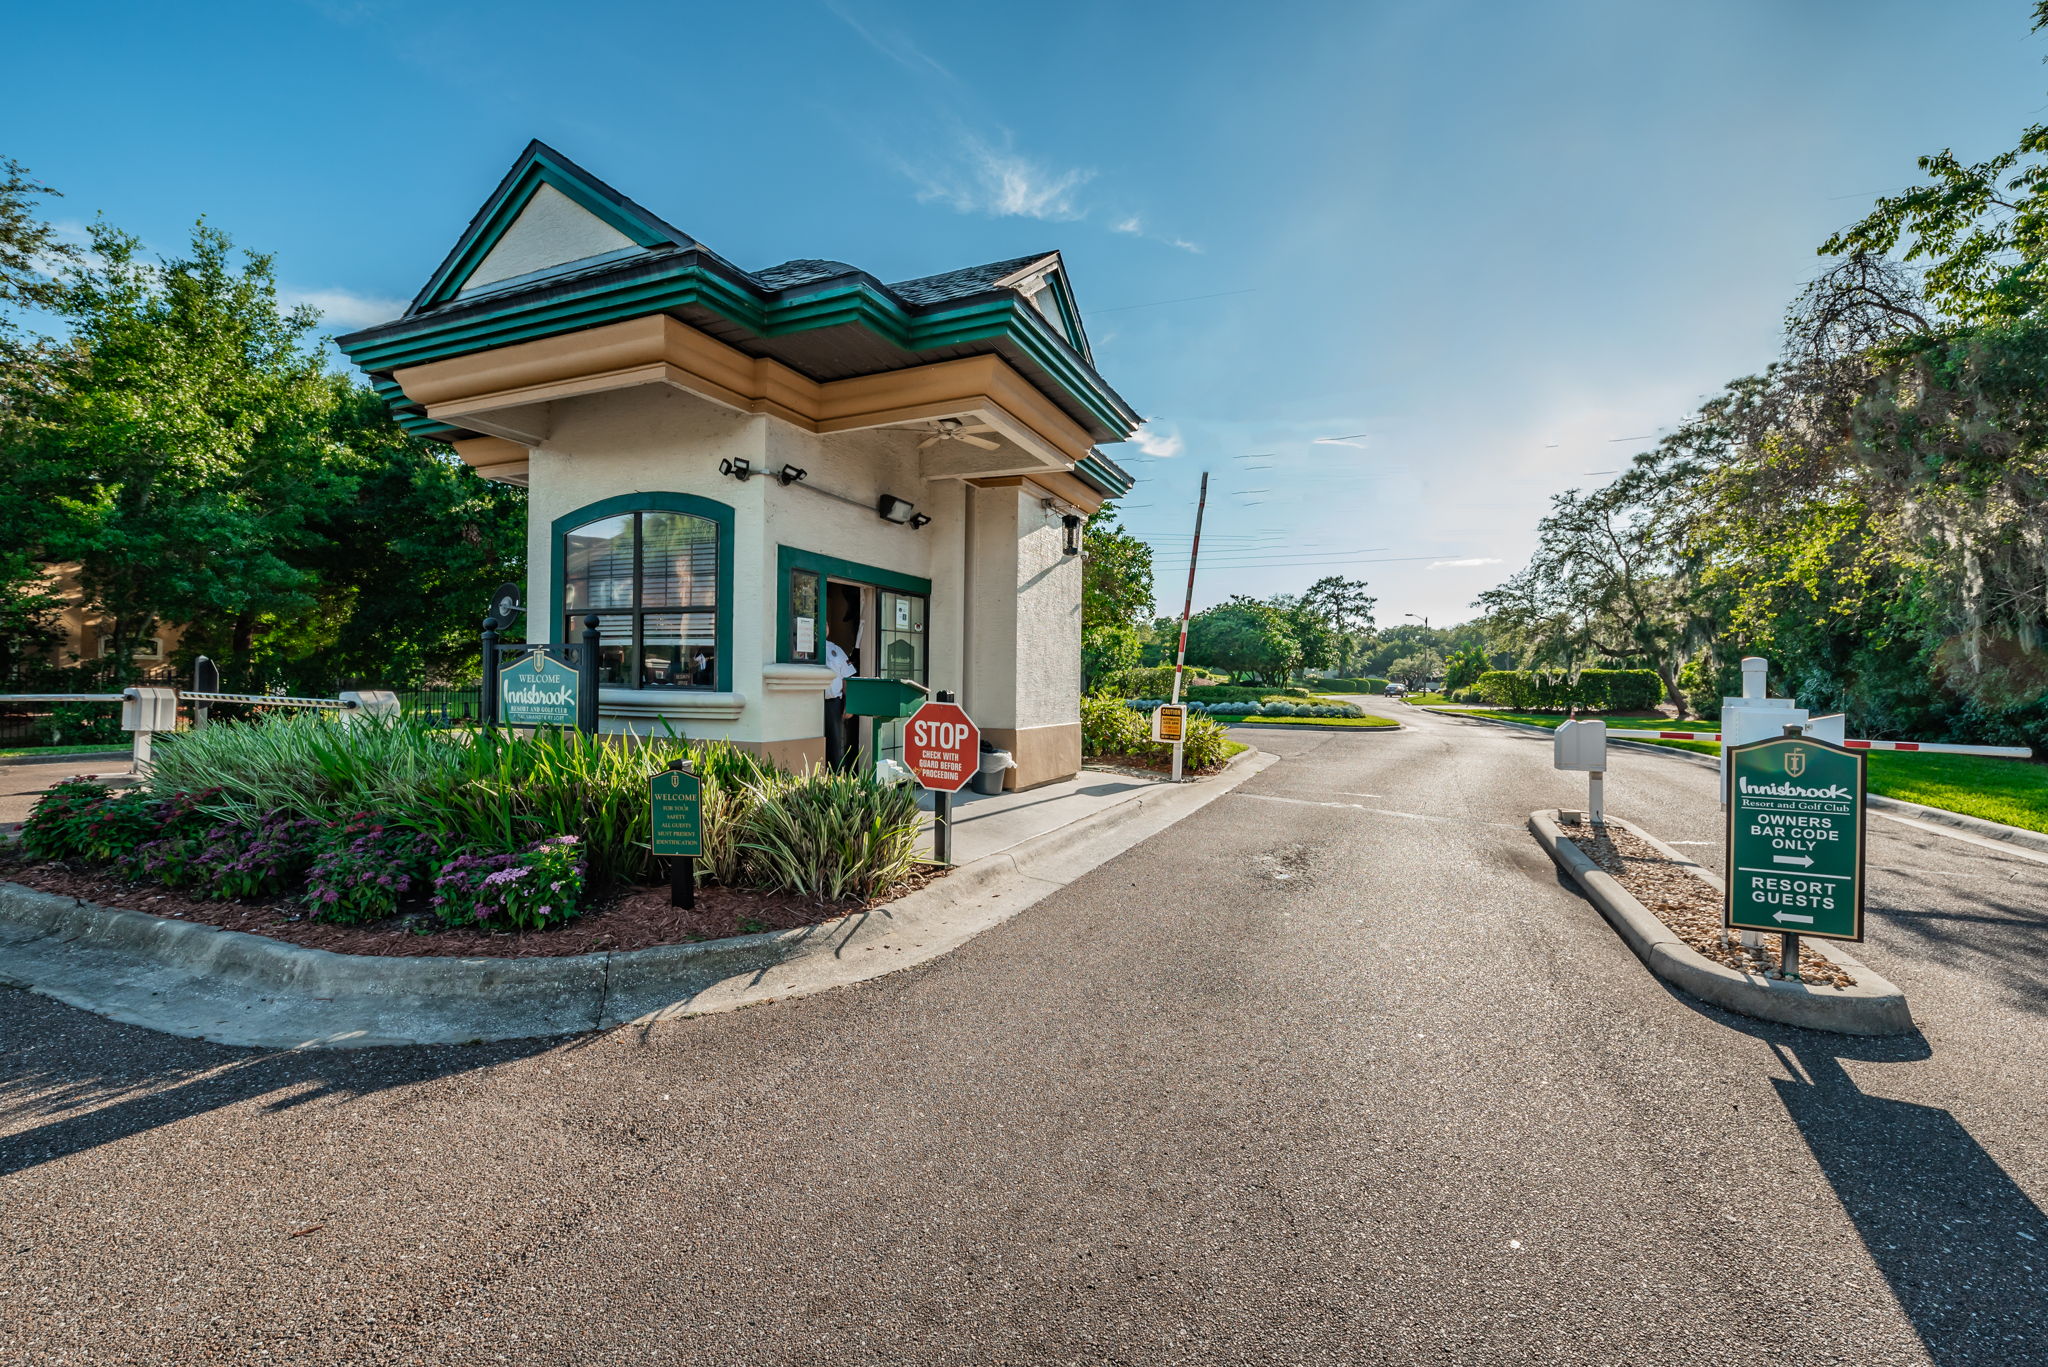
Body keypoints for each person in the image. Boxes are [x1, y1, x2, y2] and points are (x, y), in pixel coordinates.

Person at [824, 638, 857, 770]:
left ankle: (836, 778)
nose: (824, 627)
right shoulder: (805, 646)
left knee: (835, 742)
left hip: (832, 704)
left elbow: (847, 679)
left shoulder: (836, 650)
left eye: (826, 624)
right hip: (810, 703)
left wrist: (849, 705)